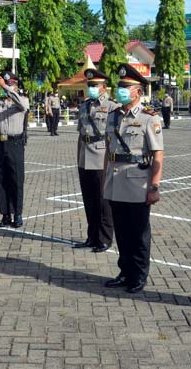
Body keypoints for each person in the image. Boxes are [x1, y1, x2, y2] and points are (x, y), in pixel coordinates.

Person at [103, 63, 164, 294]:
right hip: (116, 179)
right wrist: (104, 179)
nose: (121, 90)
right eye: (120, 86)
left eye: (126, 87)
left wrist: (155, 185)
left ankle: (139, 275)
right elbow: (109, 151)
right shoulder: (113, 116)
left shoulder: (149, 118)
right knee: (121, 230)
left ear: (138, 91)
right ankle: (125, 271)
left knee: (138, 232)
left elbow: (158, 153)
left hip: (138, 181)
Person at [74, 68, 118, 253]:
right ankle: (91, 236)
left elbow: (114, 136)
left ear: (103, 87)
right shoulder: (84, 106)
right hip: (85, 156)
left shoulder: (111, 107)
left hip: (101, 157)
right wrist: (78, 158)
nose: (90, 88)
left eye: (94, 85)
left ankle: (105, 238)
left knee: (103, 201)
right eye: (89, 85)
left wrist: (111, 160)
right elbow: (80, 134)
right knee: (89, 200)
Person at [0, 71, 29, 228]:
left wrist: (6, 88)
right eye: (4, 86)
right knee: (2, 180)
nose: (5, 89)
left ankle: (17, 213)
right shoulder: (0, 102)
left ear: (15, 86)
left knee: (16, 180)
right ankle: (5, 215)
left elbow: (23, 106)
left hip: (14, 144)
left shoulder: (22, 100)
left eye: (9, 85)